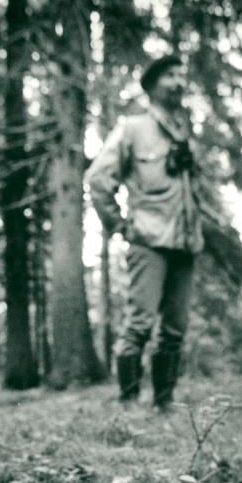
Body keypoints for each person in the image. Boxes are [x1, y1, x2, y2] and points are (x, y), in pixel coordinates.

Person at [85, 54, 204, 409]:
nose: (178, 82)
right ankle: (128, 404)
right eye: (169, 75)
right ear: (152, 86)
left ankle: (164, 403)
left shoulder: (184, 134)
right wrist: (118, 225)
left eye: (181, 75)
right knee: (139, 324)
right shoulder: (133, 129)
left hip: (185, 243)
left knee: (175, 329)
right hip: (148, 241)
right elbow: (98, 180)